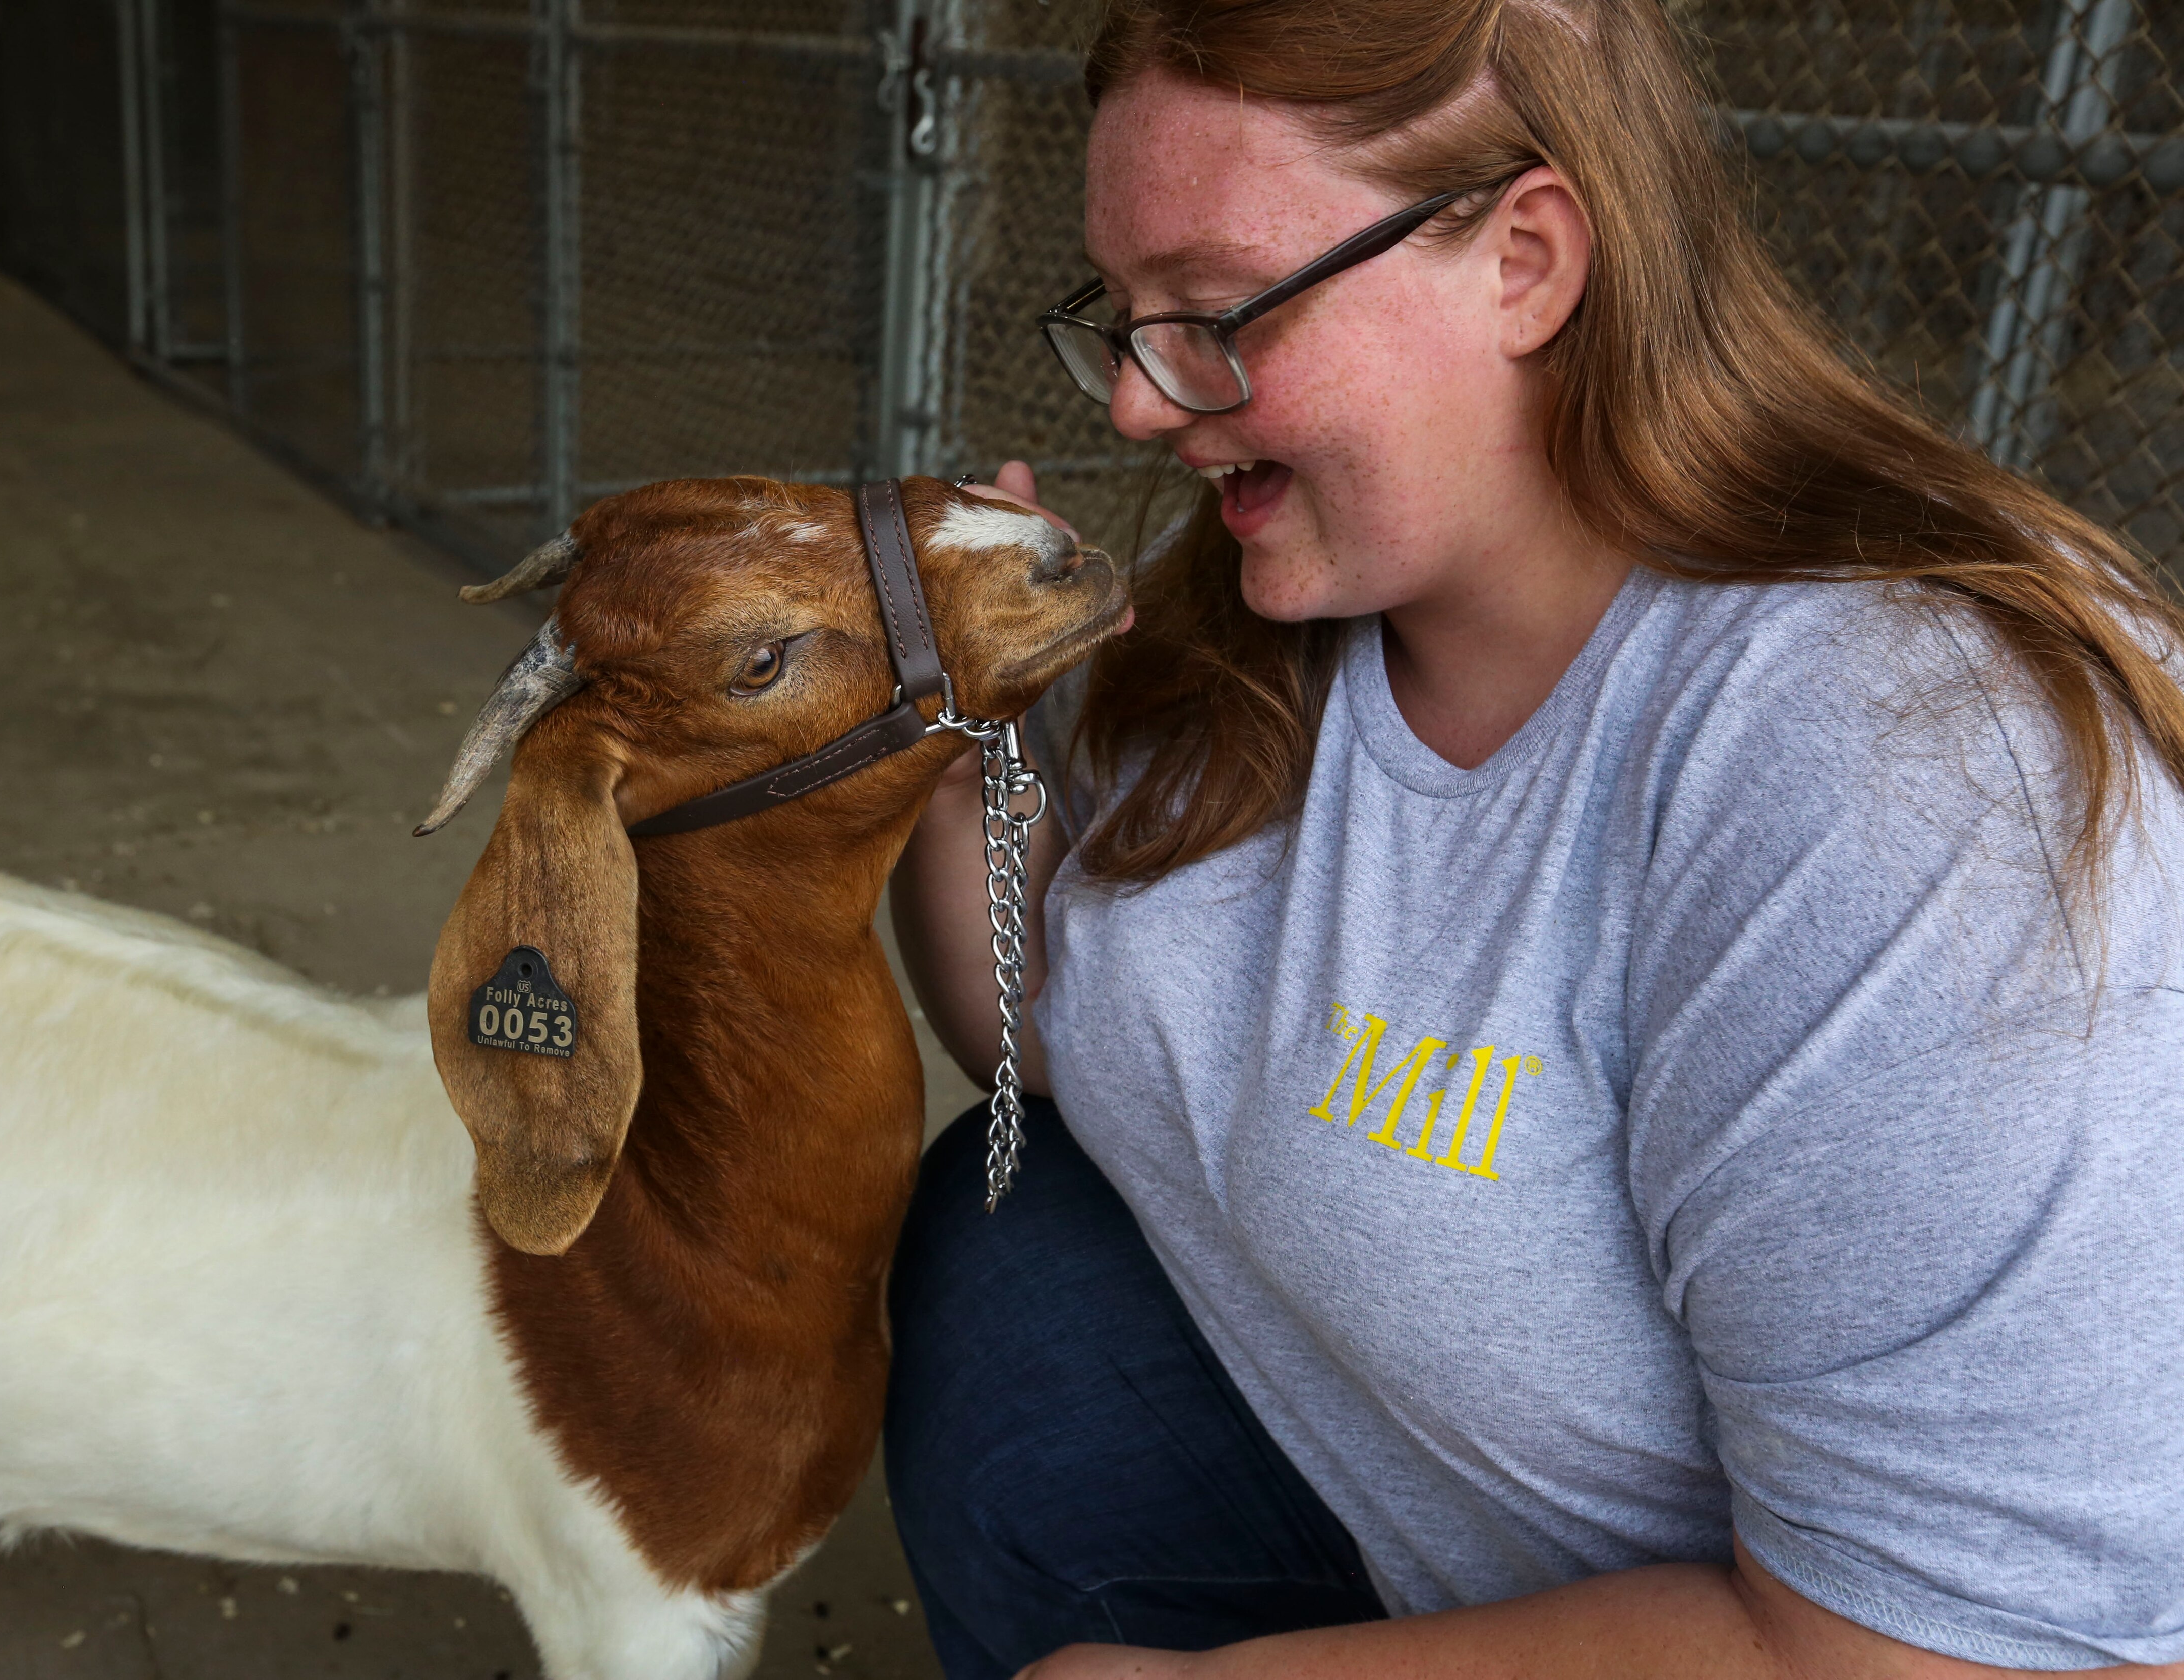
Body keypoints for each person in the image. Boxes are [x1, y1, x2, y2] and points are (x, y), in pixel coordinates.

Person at [884, 1, 2184, 1676]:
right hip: (1412, 1546)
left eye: (1212, 310)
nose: (1138, 407)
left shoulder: (1908, 775)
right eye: (1124, 318)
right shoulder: (1277, 605)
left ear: (1526, 259)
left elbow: (1945, 1656)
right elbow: (1050, 1044)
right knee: (1010, 1217)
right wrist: (953, 761)